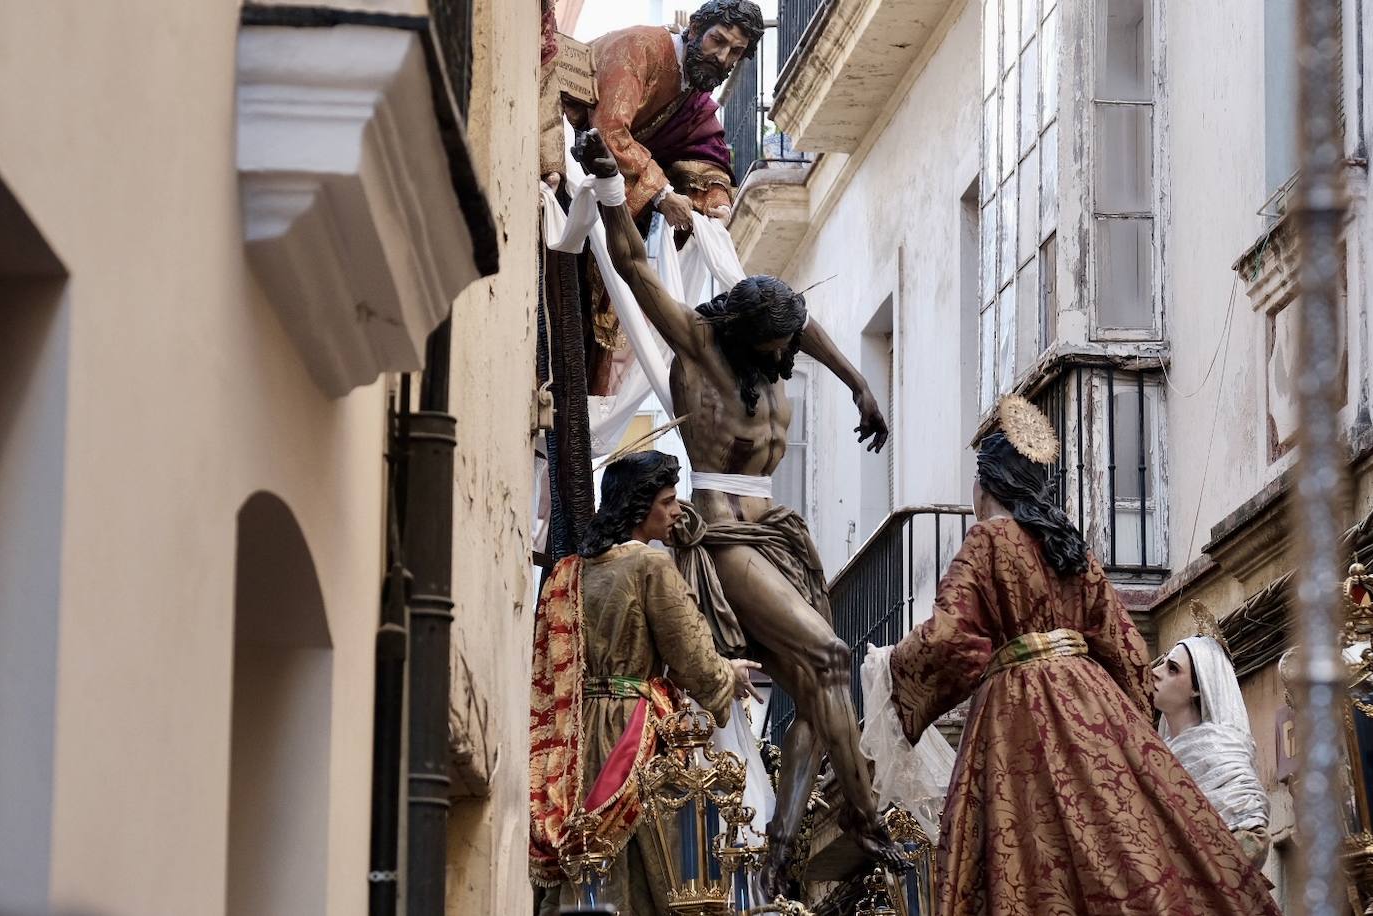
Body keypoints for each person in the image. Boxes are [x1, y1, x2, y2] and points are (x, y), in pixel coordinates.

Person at [571, 127, 902, 895]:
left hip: (776, 538)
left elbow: (805, 325)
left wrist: (858, 382)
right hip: (724, 535)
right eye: (782, 345)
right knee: (828, 659)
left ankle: (783, 857)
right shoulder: (701, 350)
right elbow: (632, 266)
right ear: (752, 335)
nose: (793, 357)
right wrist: (617, 196)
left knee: (819, 698)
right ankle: (863, 815)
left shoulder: (776, 344)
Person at [885, 396, 1280, 915]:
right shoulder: (1073, 551)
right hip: (1092, 705)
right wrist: (1125, 735)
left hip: (1016, 712)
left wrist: (892, 669)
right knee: (1119, 843)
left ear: (987, 486)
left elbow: (950, 638)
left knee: (1025, 849)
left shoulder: (989, 539)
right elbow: (1126, 648)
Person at [529, 451, 761, 916]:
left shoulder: (567, 572)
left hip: (573, 741)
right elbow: (691, 653)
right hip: (635, 733)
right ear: (639, 507)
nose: (677, 511)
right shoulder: (650, 567)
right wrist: (726, 676)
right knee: (655, 862)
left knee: (594, 861)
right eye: (668, 501)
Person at [570, 0, 765, 226]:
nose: (722, 57)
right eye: (717, 40)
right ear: (694, 29)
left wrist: (717, 203)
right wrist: (661, 193)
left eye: (735, 51)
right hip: (568, 174)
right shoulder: (638, 47)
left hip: (604, 201)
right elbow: (608, 130)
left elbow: (702, 155)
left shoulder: (694, 95)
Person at [1153, 607, 1271, 867]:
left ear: (1198, 688)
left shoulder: (1223, 758)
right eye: (1163, 663)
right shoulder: (1153, 755)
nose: (1156, 672)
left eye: (1173, 669)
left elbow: (1252, 845)